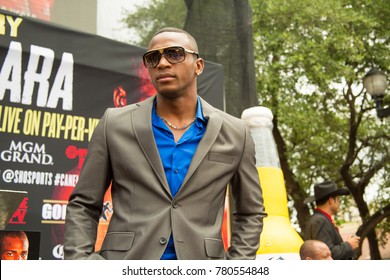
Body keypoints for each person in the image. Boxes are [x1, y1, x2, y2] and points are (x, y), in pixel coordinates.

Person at [64, 27, 266, 260]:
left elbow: (250, 212)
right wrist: (79, 264)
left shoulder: (236, 132)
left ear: (198, 66)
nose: (162, 63)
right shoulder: (115, 123)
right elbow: (84, 204)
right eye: (153, 58)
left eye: (175, 54)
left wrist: (236, 268)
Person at [303, 181, 360, 260]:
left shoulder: (319, 219)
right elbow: (326, 254)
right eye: (338, 199)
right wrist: (348, 245)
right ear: (331, 200)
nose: (339, 203)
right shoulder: (320, 221)